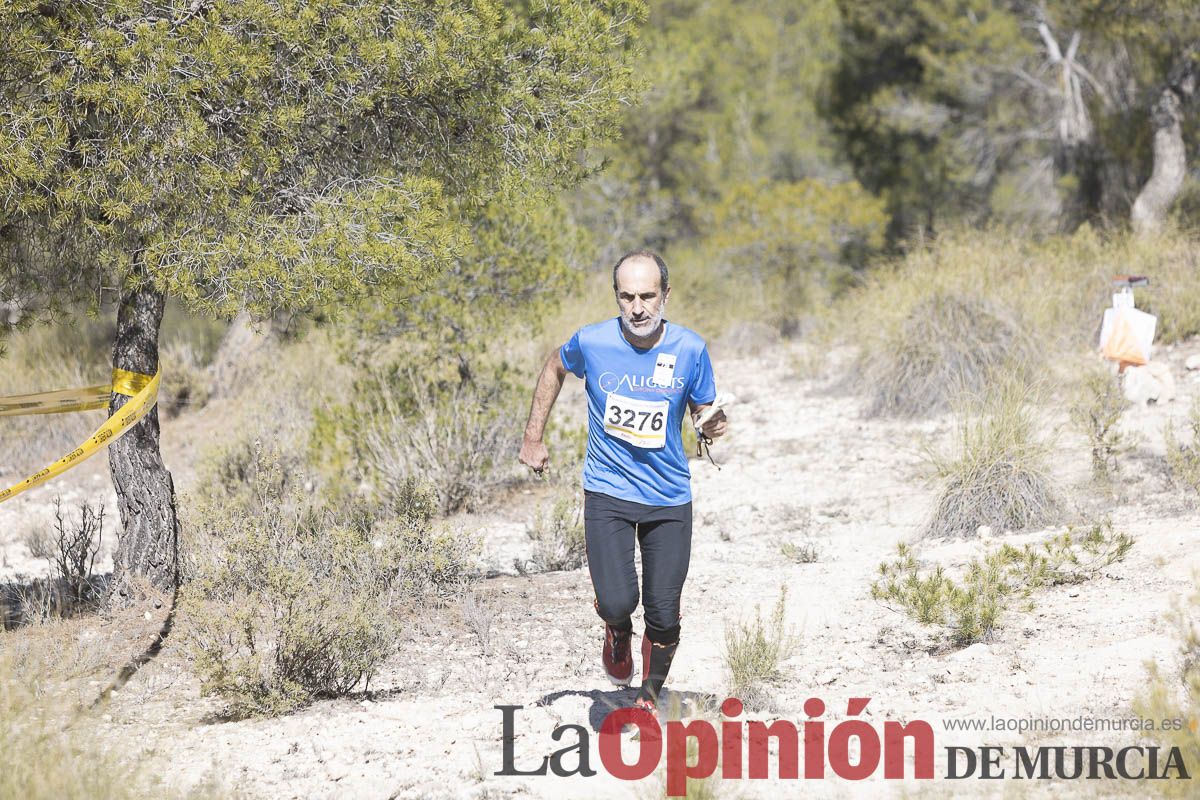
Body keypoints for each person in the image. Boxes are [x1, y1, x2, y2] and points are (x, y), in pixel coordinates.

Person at [518, 249, 727, 712]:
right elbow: (554, 365)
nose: (637, 308)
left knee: (664, 612)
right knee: (618, 601)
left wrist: (711, 424)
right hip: (607, 489)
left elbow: (704, 410)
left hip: (668, 496)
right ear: (616, 296)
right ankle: (616, 629)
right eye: (627, 296)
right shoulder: (593, 342)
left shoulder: (690, 348)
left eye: (648, 296)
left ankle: (648, 696)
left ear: (666, 295)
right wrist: (533, 438)